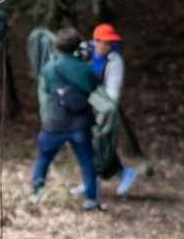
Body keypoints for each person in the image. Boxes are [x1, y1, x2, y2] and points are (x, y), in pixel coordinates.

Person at [31, 28, 104, 210]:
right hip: (80, 123)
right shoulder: (85, 68)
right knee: (87, 161)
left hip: (54, 122)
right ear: (77, 46)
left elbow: (47, 89)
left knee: (43, 159)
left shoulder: (49, 68)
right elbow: (94, 86)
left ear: (57, 46)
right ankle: (91, 200)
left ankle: (36, 194)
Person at [70, 23, 139, 197]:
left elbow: (112, 95)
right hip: (83, 106)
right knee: (85, 144)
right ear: (96, 41)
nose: (108, 46)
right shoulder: (84, 51)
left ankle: (121, 174)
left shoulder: (115, 62)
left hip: (103, 109)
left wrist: (95, 101)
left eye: (111, 42)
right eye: (105, 42)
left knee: (100, 145)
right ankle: (92, 181)